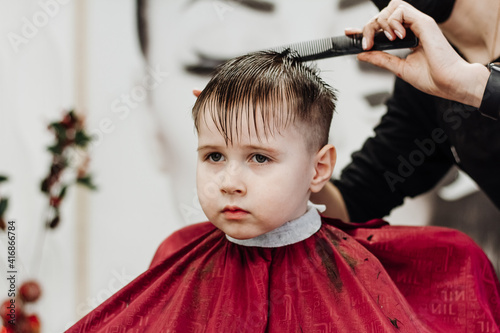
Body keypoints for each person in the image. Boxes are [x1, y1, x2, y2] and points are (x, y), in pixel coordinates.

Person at [66, 50, 499, 332]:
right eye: (214, 156)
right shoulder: (176, 251)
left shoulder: (404, 265)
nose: (229, 181)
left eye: (259, 158)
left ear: (319, 168)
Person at [314, 0, 500, 223]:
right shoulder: (429, 86)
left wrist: (478, 88)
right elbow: (350, 205)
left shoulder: (443, 78)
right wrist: (297, 165)